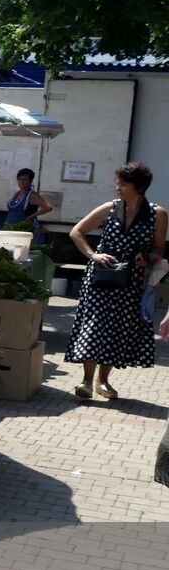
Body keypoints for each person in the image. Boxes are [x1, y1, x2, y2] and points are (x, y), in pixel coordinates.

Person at [65, 162, 165, 401]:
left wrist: (148, 258)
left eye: (124, 184)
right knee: (94, 326)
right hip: (101, 275)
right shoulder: (109, 208)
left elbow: (160, 248)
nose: (117, 187)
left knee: (117, 330)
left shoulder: (157, 214)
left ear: (138, 187)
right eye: (118, 182)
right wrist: (93, 255)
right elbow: (77, 232)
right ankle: (86, 381)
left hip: (130, 279)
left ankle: (103, 381)